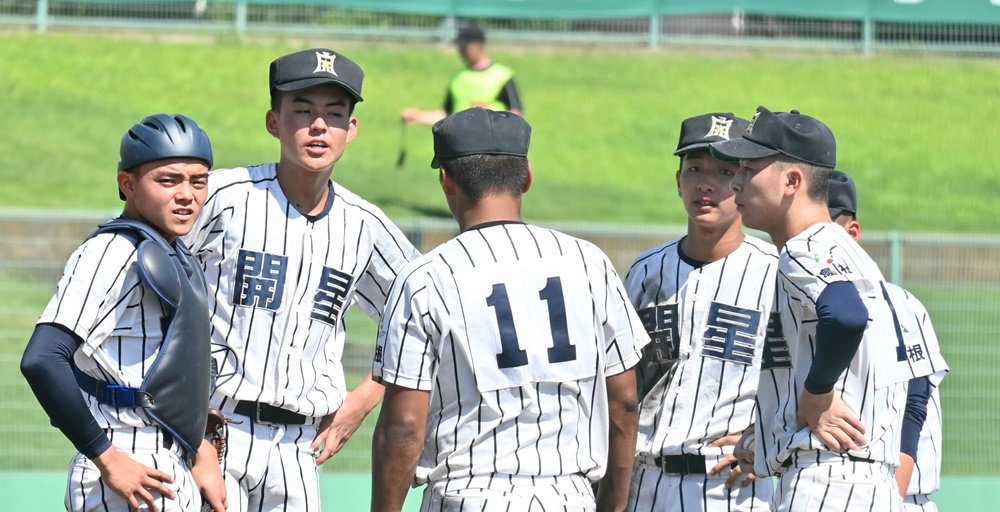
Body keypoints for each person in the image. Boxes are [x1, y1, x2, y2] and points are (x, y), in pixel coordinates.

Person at [370, 108, 650, 512]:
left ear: (446, 181)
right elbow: (624, 403)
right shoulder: (588, 262)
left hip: (468, 494)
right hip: (569, 496)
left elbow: (404, 426)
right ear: (528, 177)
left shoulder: (425, 278)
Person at [182, 48, 419, 511]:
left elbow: (428, 319)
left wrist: (367, 396)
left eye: (334, 114)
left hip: (299, 451)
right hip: (211, 434)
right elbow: (148, 286)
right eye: (303, 111)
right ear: (274, 121)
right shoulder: (225, 197)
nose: (318, 126)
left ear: (351, 130)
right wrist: (186, 433)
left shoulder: (365, 225)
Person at [20, 113, 226, 512]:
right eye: (168, 180)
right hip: (125, 463)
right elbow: (43, 359)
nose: (187, 194)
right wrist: (107, 457)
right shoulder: (111, 252)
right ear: (127, 184)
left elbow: (180, 372)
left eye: (198, 181)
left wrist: (198, 448)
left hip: (166, 462)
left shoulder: (174, 251)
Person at [713, 106, 910, 512]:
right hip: (865, 481)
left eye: (749, 169)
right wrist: (772, 438)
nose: (735, 182)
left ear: (792, 181)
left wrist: (817, 396)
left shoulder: (805, 248)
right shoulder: (851, 255)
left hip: (828, 482)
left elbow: (846, 316)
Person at [623, 113, 777, 511]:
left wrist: (769, 437)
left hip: (730, 486)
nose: (706, 183)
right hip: (645, 480)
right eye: (694, 168)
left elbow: (806, 373)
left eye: (725, 170)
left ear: (743, 183)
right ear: (677, 181)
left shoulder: (776, 274)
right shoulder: (645, 273)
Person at [826, 171, 949, 511]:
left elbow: (915, 401)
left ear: (852, 233)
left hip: (899, 497)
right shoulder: (797, 300)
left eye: (825, 229)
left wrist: (890, 497)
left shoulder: (899, 304)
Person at [400, 23, 523, 126]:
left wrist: (489, 114)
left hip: (492, 150)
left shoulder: (502, 76)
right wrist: (418, 116)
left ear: (479, 45)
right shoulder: (458, 79)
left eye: (465, 46)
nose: (461, 51)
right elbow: (446, 115)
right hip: (462, 149)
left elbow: (516, 116)